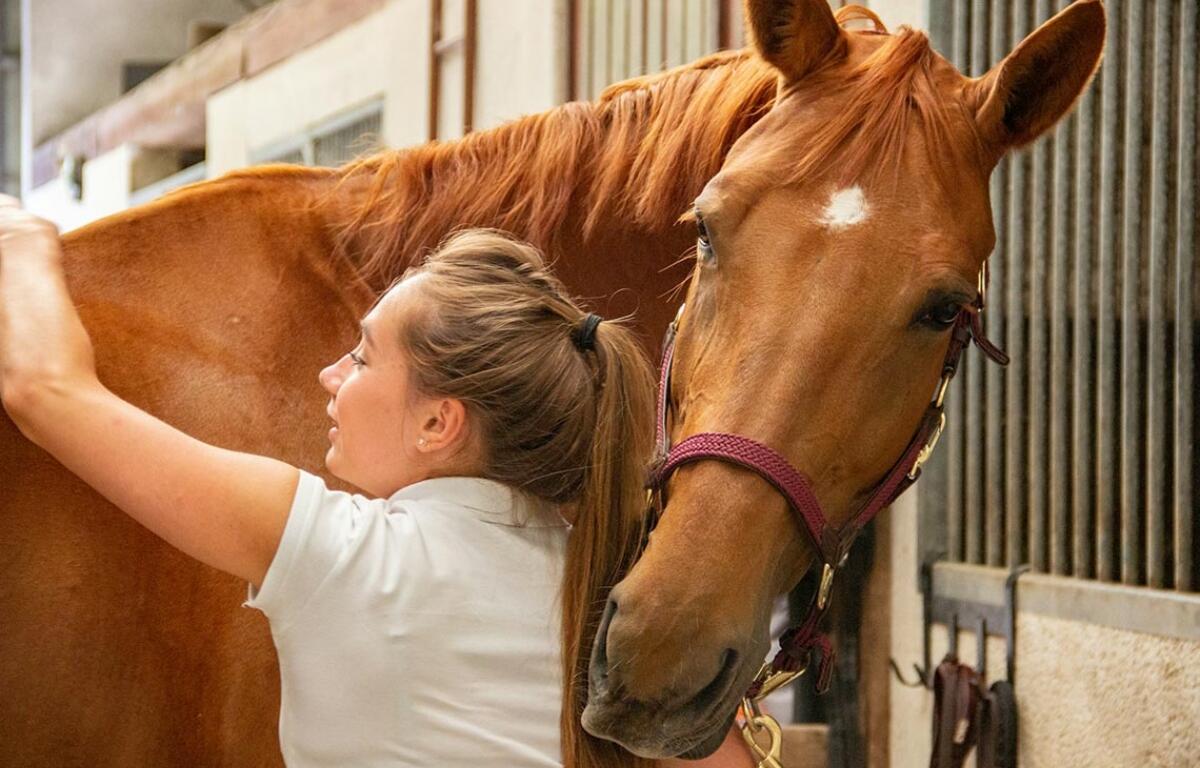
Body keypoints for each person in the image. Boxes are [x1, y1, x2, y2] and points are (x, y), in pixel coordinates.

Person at [0, 197, 754, 768]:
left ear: (438, 423)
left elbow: (46, 390)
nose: (329, 375)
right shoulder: (605, 591)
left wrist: (19, 236)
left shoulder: (336, 552)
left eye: (360, 358)